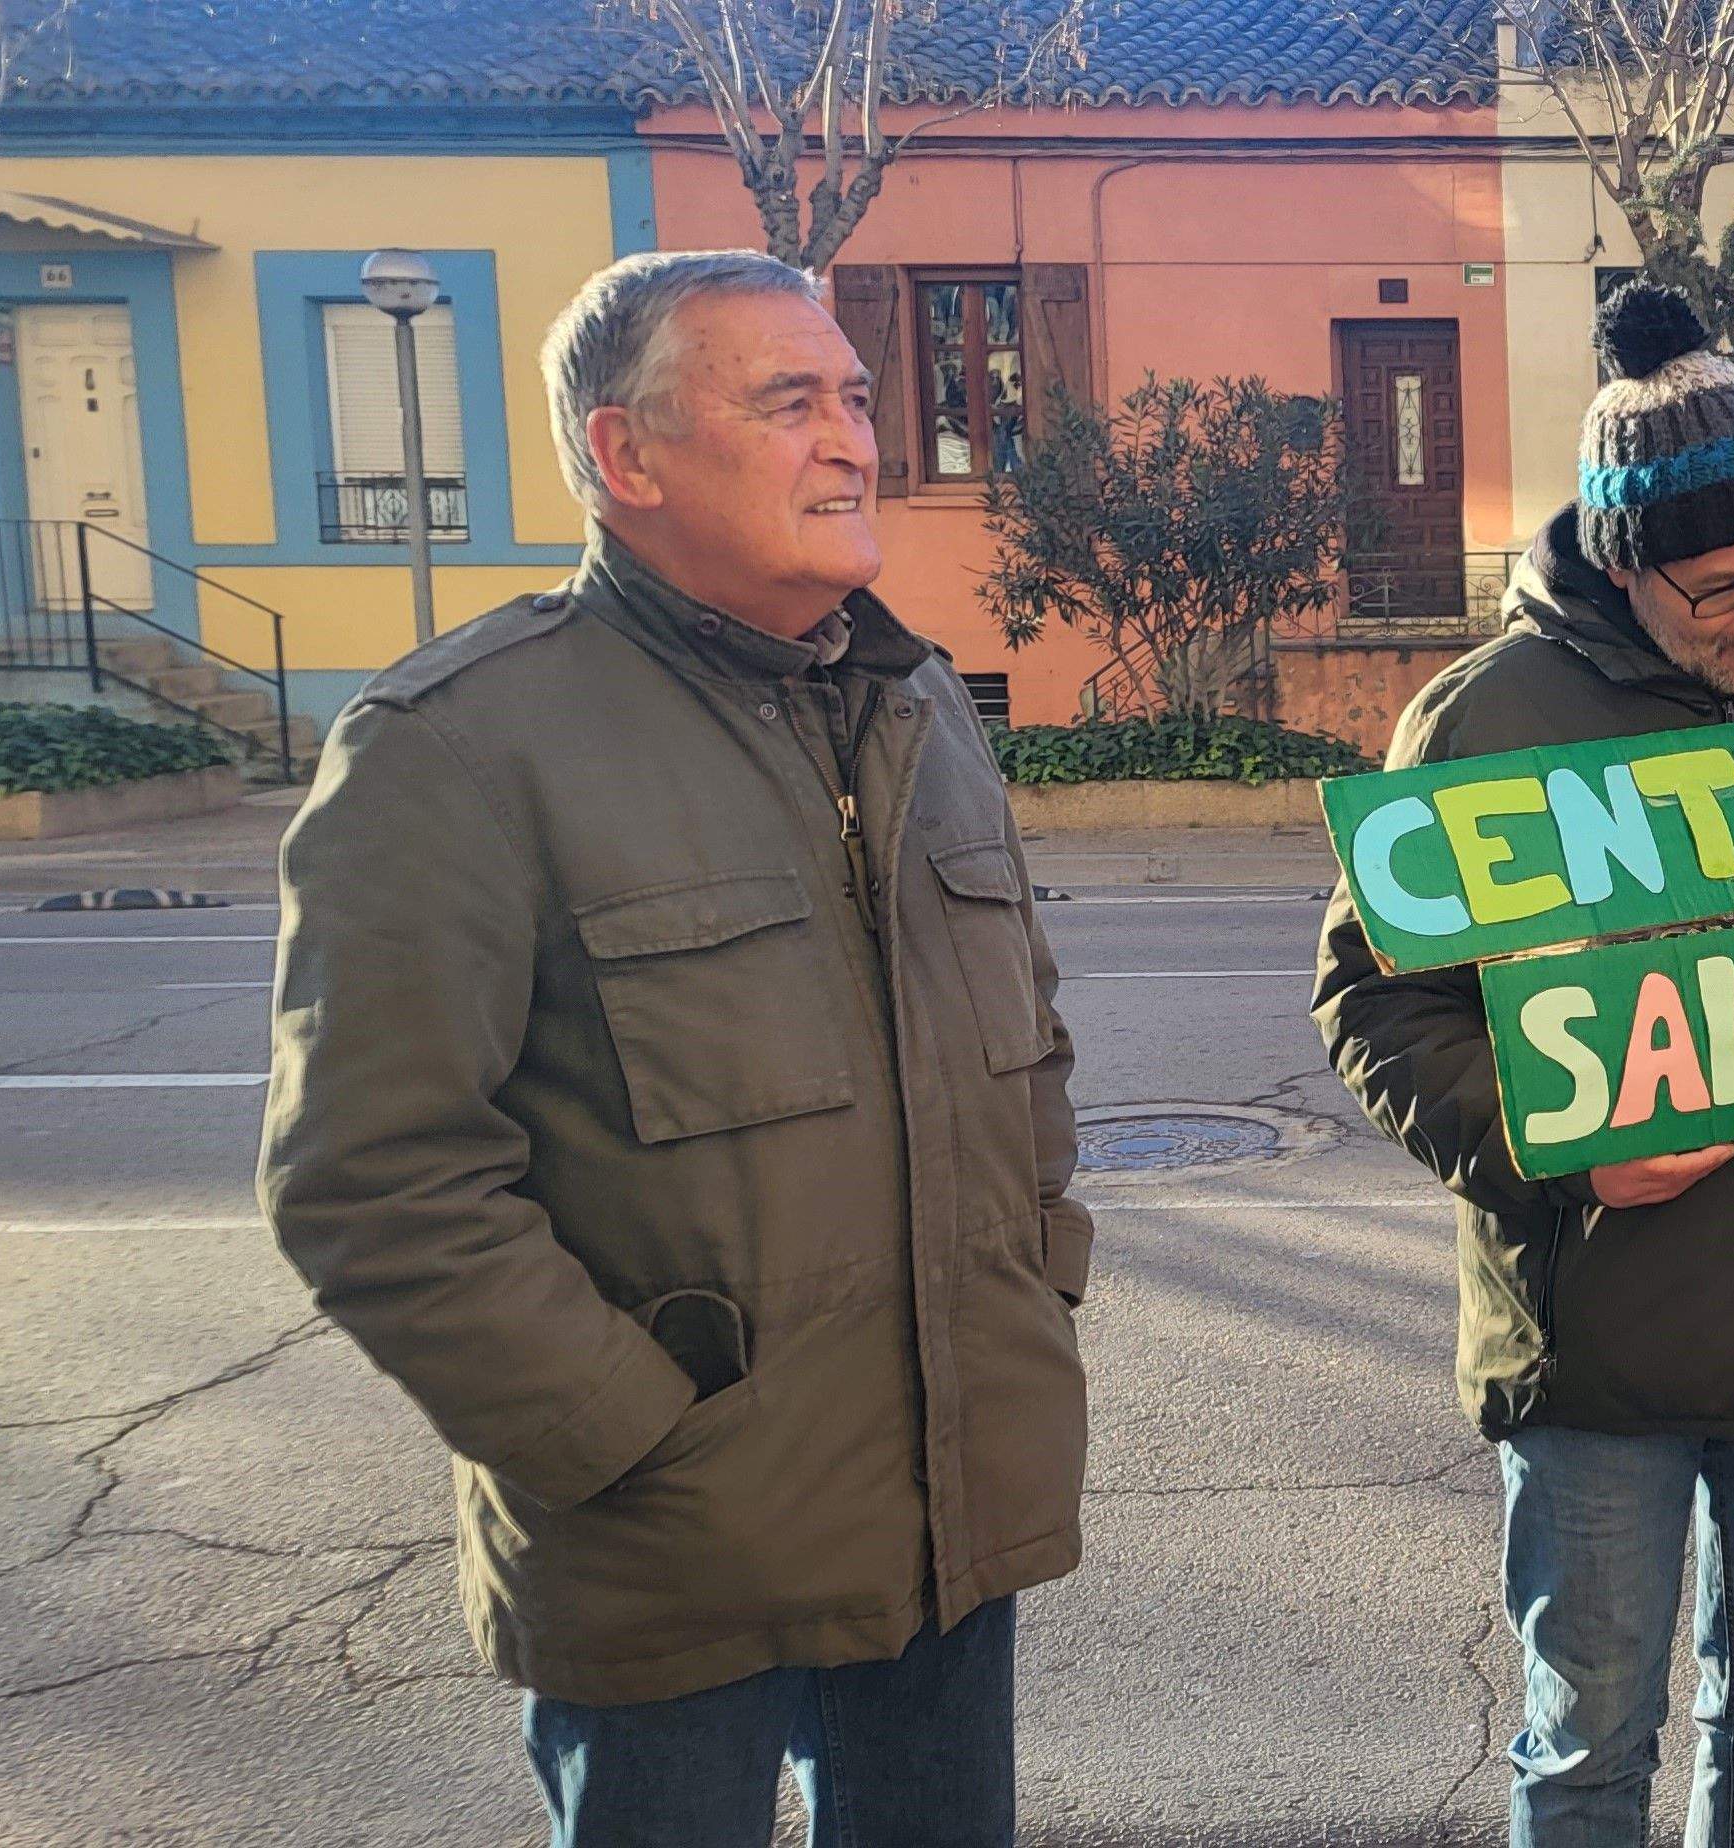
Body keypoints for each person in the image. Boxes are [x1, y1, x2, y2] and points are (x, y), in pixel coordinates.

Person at [259, 250, 1091, 1848]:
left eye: (855, 397)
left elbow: (1028, 1042)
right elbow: (372, 1181)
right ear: (625, 455)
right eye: (789, 403)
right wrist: (629, 1441)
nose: (853, 441)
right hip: (671, 1553)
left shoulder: (922, 704)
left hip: (949, 1510)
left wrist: (1037, 1275)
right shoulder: (459, 744)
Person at [1315, 281, 1734, 1847]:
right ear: (1623, 561)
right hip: (1592, 1351)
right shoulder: (1483, 723)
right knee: (1588, 1750)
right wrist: (1552, 1141)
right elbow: (1378, 1011)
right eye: (1722, 588)